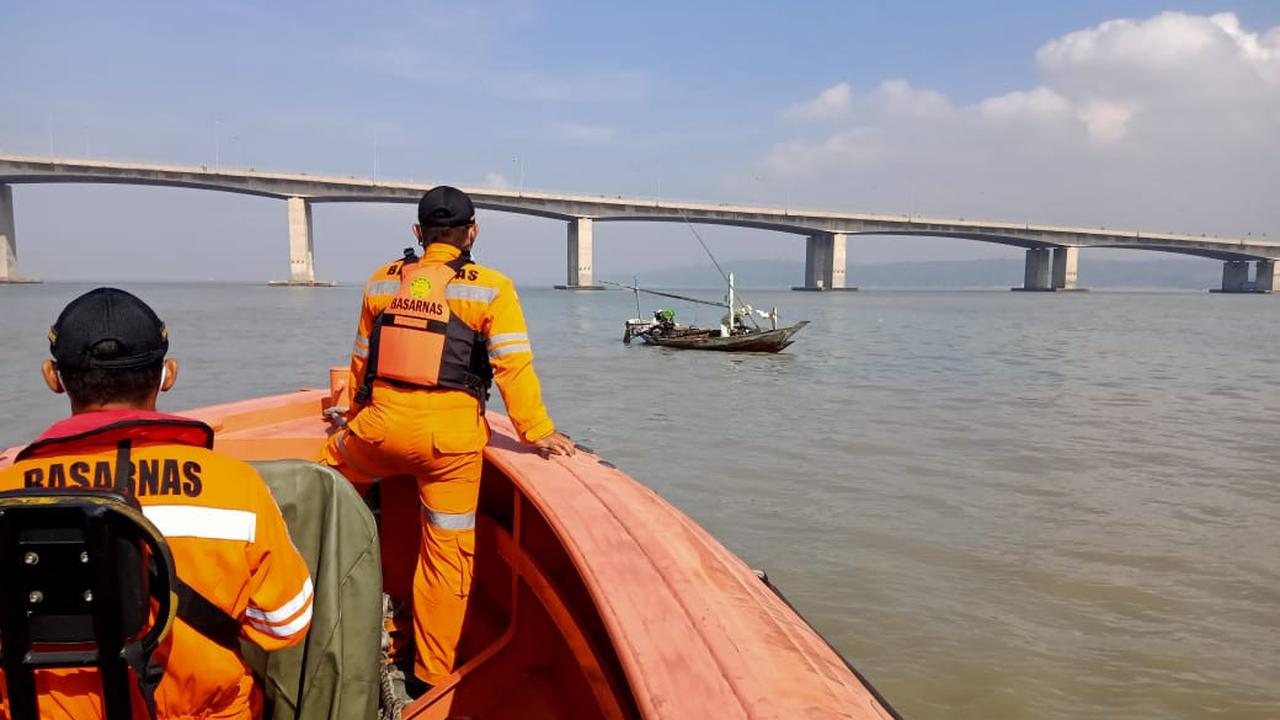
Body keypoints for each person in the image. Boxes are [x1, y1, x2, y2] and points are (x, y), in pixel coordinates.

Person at [0, 288, 313, 720]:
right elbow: (285, 625)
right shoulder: (236, 487)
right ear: (169, 374)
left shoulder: (8, 489)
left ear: (53, 377)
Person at [320, 186, 574, 691]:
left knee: (320, 488)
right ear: (472, 233)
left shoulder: (382, 280)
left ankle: (312, 616)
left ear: (419, 233)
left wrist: (354, 418)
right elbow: (513, 368)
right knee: (447, 555)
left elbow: (362, 361)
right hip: (450, 444)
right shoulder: (492, 288)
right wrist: (538, 432)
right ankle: (429, 679)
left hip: (377, 429)